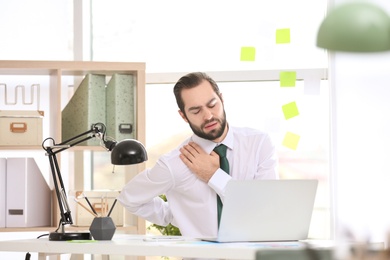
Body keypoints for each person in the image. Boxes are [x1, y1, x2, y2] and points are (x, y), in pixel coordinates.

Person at [118, 72, 278, 238]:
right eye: (196, 111)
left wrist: (214, 176)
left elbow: (265, 208)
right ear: (183, 116)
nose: (208, 116)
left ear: (221, 99)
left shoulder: (259, 144)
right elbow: (129, 197)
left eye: (212, 105)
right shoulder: (174, 163)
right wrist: (175, 215)